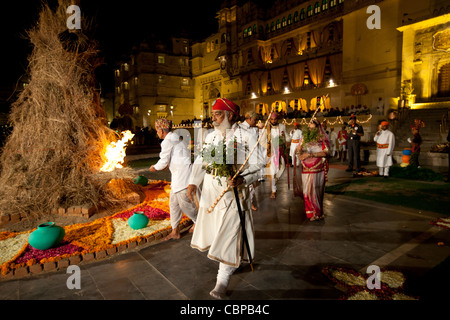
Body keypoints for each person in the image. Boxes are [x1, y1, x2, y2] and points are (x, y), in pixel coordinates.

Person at [186, 98, 263, 299]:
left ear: (230, 115)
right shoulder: (211, 137)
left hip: (234, 193)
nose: (214, 118)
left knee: (229, 234)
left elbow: (260, 165)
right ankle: (231, 262)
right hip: (212, 193)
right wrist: (193, 182)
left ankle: (222, 281)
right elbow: (201, 159)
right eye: (213, 114)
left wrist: (244, 179)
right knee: (217, 233)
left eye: (218, 114)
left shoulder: (246, 136)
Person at [149, 118, 198, 241]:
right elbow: (174, 158)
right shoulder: (175, 138)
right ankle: (175, 231)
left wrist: (155, 167)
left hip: (183, 177)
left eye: (157, 130)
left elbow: (164, 160)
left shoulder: (168, 141)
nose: (157, 132)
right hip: (178, 176)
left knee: (185, 204)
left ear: (161, 130)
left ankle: (199, 222)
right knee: (173, 204)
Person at [295, 119, 330, 221]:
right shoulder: (304, 138)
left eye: (313, 128)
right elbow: (298, 149)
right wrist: (300, 153)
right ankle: (310, 213)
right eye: (309, 128)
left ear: (318, 128)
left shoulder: (322, 137)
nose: (311, 130)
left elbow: (326, 152)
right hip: (306, 166)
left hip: (317, 166)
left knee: (315, 190)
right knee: (306, 190)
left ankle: (318, 213)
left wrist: (310, 154)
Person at [239, 111, 262, 211]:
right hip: (243, 159)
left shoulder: (253, 129)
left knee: (251, 182)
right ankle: (250, 202)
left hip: (252, 158)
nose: (255, 122)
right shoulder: (240, 128)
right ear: (250, 118)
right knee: (248, 184)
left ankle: (251, 201)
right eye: (254, 120)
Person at [266, 112, 290, 198]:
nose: (273, 121)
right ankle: (273, 191)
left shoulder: (282, 126)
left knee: (282, 167)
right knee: (272, 172)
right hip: (270, 151)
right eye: (271, 119)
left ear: (277, 119)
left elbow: (287, 136)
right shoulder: (267, 127)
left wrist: (287, 140)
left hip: (280, 150)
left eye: (275, 119)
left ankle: (277, 178)